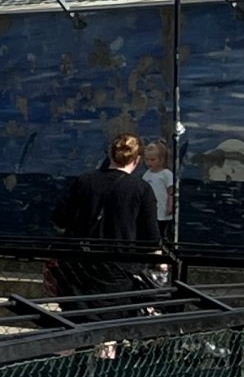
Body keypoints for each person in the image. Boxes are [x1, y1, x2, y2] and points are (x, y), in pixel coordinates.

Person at [51, 131, 165, 306]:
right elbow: (151, 238)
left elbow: (60, 218)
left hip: (77, 268)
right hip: (118, 270)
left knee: (74, 317)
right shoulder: (141, 189)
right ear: (137, 160)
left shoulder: (84, 180)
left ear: (111, 154)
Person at [141, 138, 176, 228]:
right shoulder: (147, 174)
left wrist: (170, 205)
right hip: (150, 210)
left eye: (153, 160)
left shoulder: (166, 174)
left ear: (162, 159)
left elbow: (171, 192)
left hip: (163, 211)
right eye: (147, 160)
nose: (149, 163)